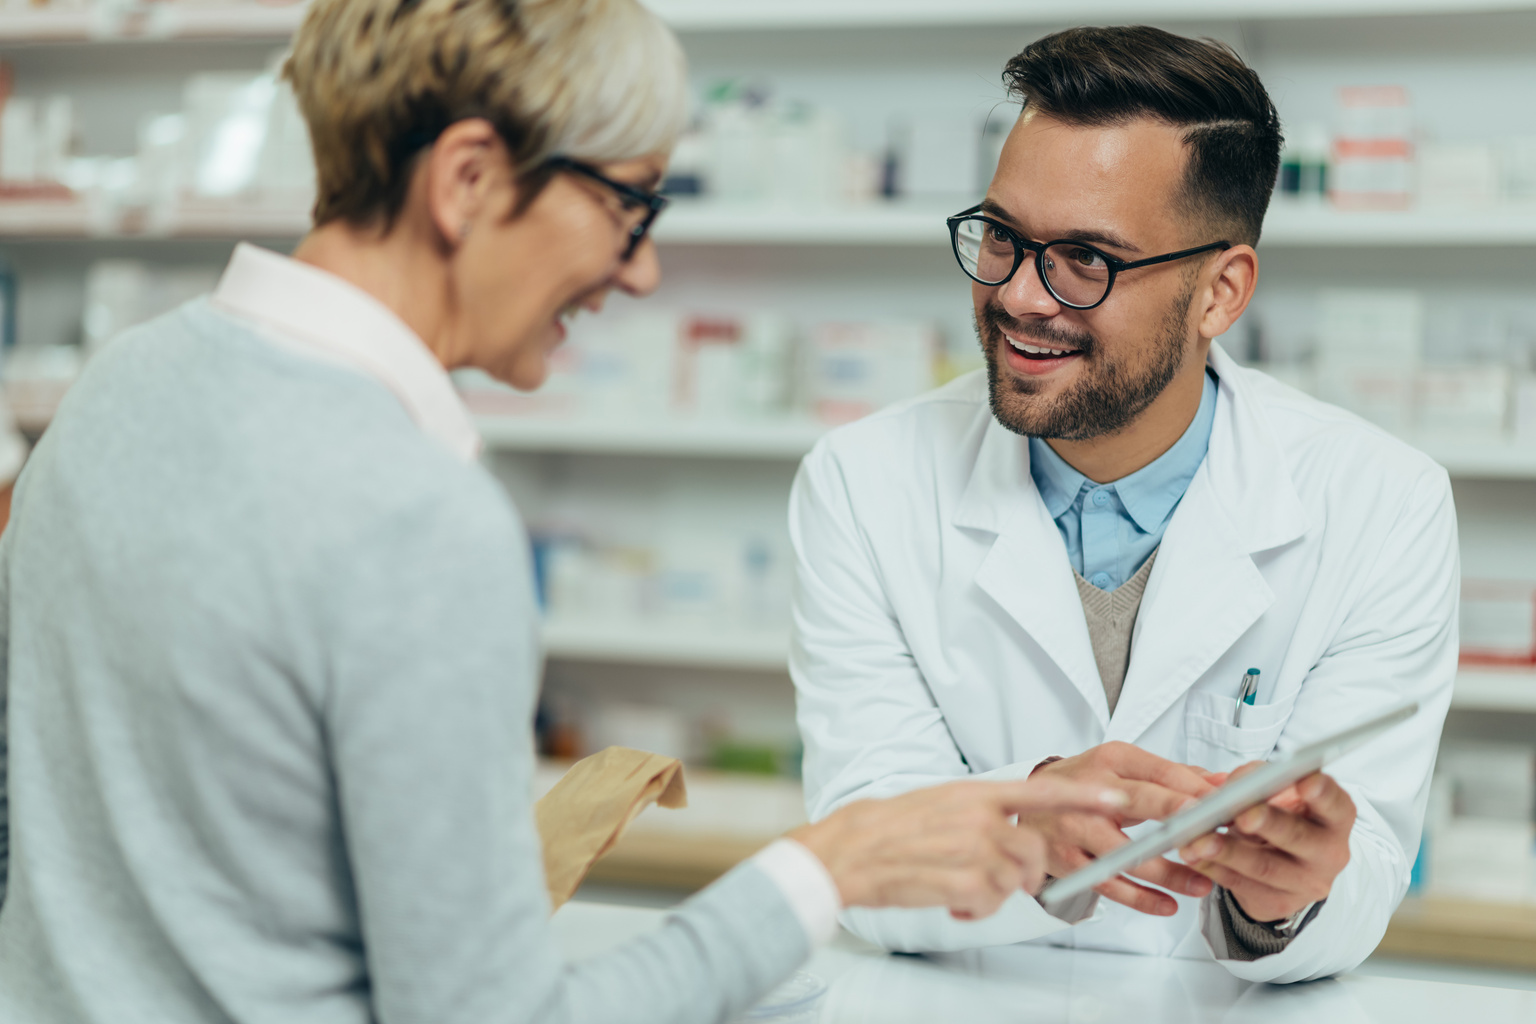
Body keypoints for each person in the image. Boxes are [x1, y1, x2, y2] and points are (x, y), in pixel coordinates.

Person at [0, 2, 1132, 1023]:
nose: (639, 274)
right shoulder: (414, 518)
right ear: (469, 180)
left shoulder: (115, 389)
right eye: (631, 203)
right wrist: (824, 868)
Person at [790, 26, 1458, 984]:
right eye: (1005, 238)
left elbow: (1369, 870)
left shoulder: (1381, 504)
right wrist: (1022, 819)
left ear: (1219, 291)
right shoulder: (861, 482)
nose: (1021, 295)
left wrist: (1292, 892)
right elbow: (858, 849)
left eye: (1086, 260)